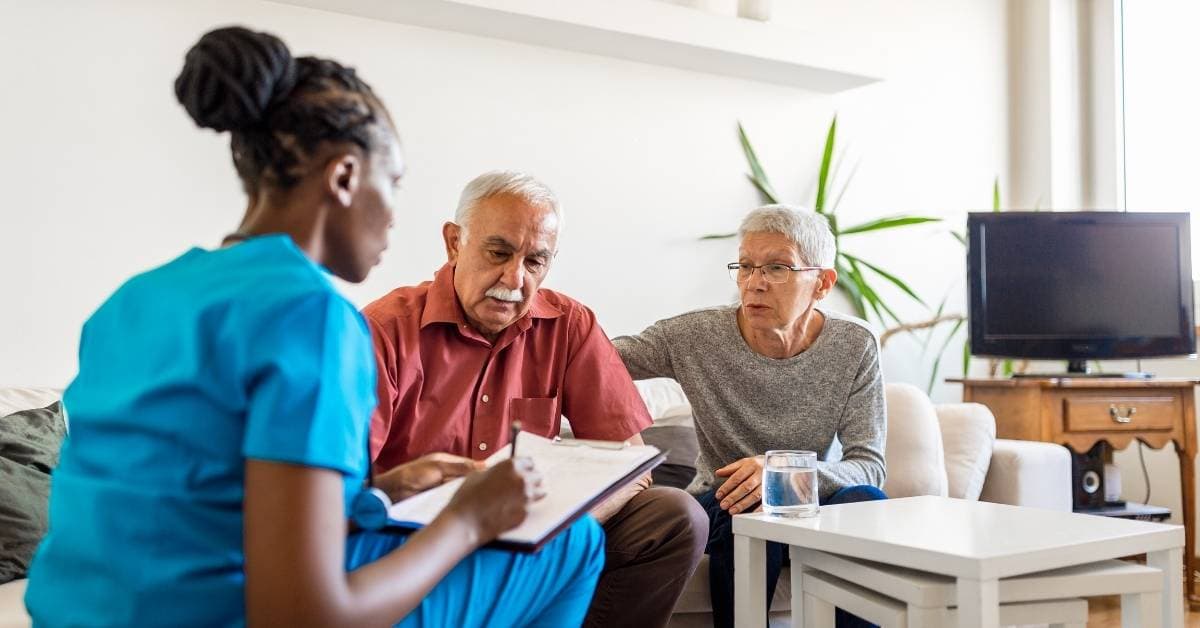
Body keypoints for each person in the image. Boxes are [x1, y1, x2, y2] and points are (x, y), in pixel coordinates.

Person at [24, 27, 603, 628]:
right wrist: (469, 519)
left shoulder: (137, 297)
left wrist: (381, 492)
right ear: (346, 177)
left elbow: (202, 500)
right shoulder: (311, 316)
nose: (394, 214)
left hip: (75, 613)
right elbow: (304, 615)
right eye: (393, 183)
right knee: (574, 544)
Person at [363, 170, 708, 628]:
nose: (514, 278)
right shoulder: (383, 330)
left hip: (534, 530)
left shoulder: (570, 324)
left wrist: (563, 525)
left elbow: (631, 465)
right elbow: (347, 491)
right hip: (417, 537)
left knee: (675, 515)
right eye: (499, 253)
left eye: (535, 262)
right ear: (454, 243)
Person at [613, 204, 888, 628]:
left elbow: (868, 467)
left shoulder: (854, 345)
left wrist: (781, 473)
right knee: (752, 504)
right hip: (722, 500)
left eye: (777, 268)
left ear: (822, 283)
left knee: (865, 503)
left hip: (807, 499)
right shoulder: (693, 335)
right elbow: (596, 360)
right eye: (745, 266)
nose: (754, 283)